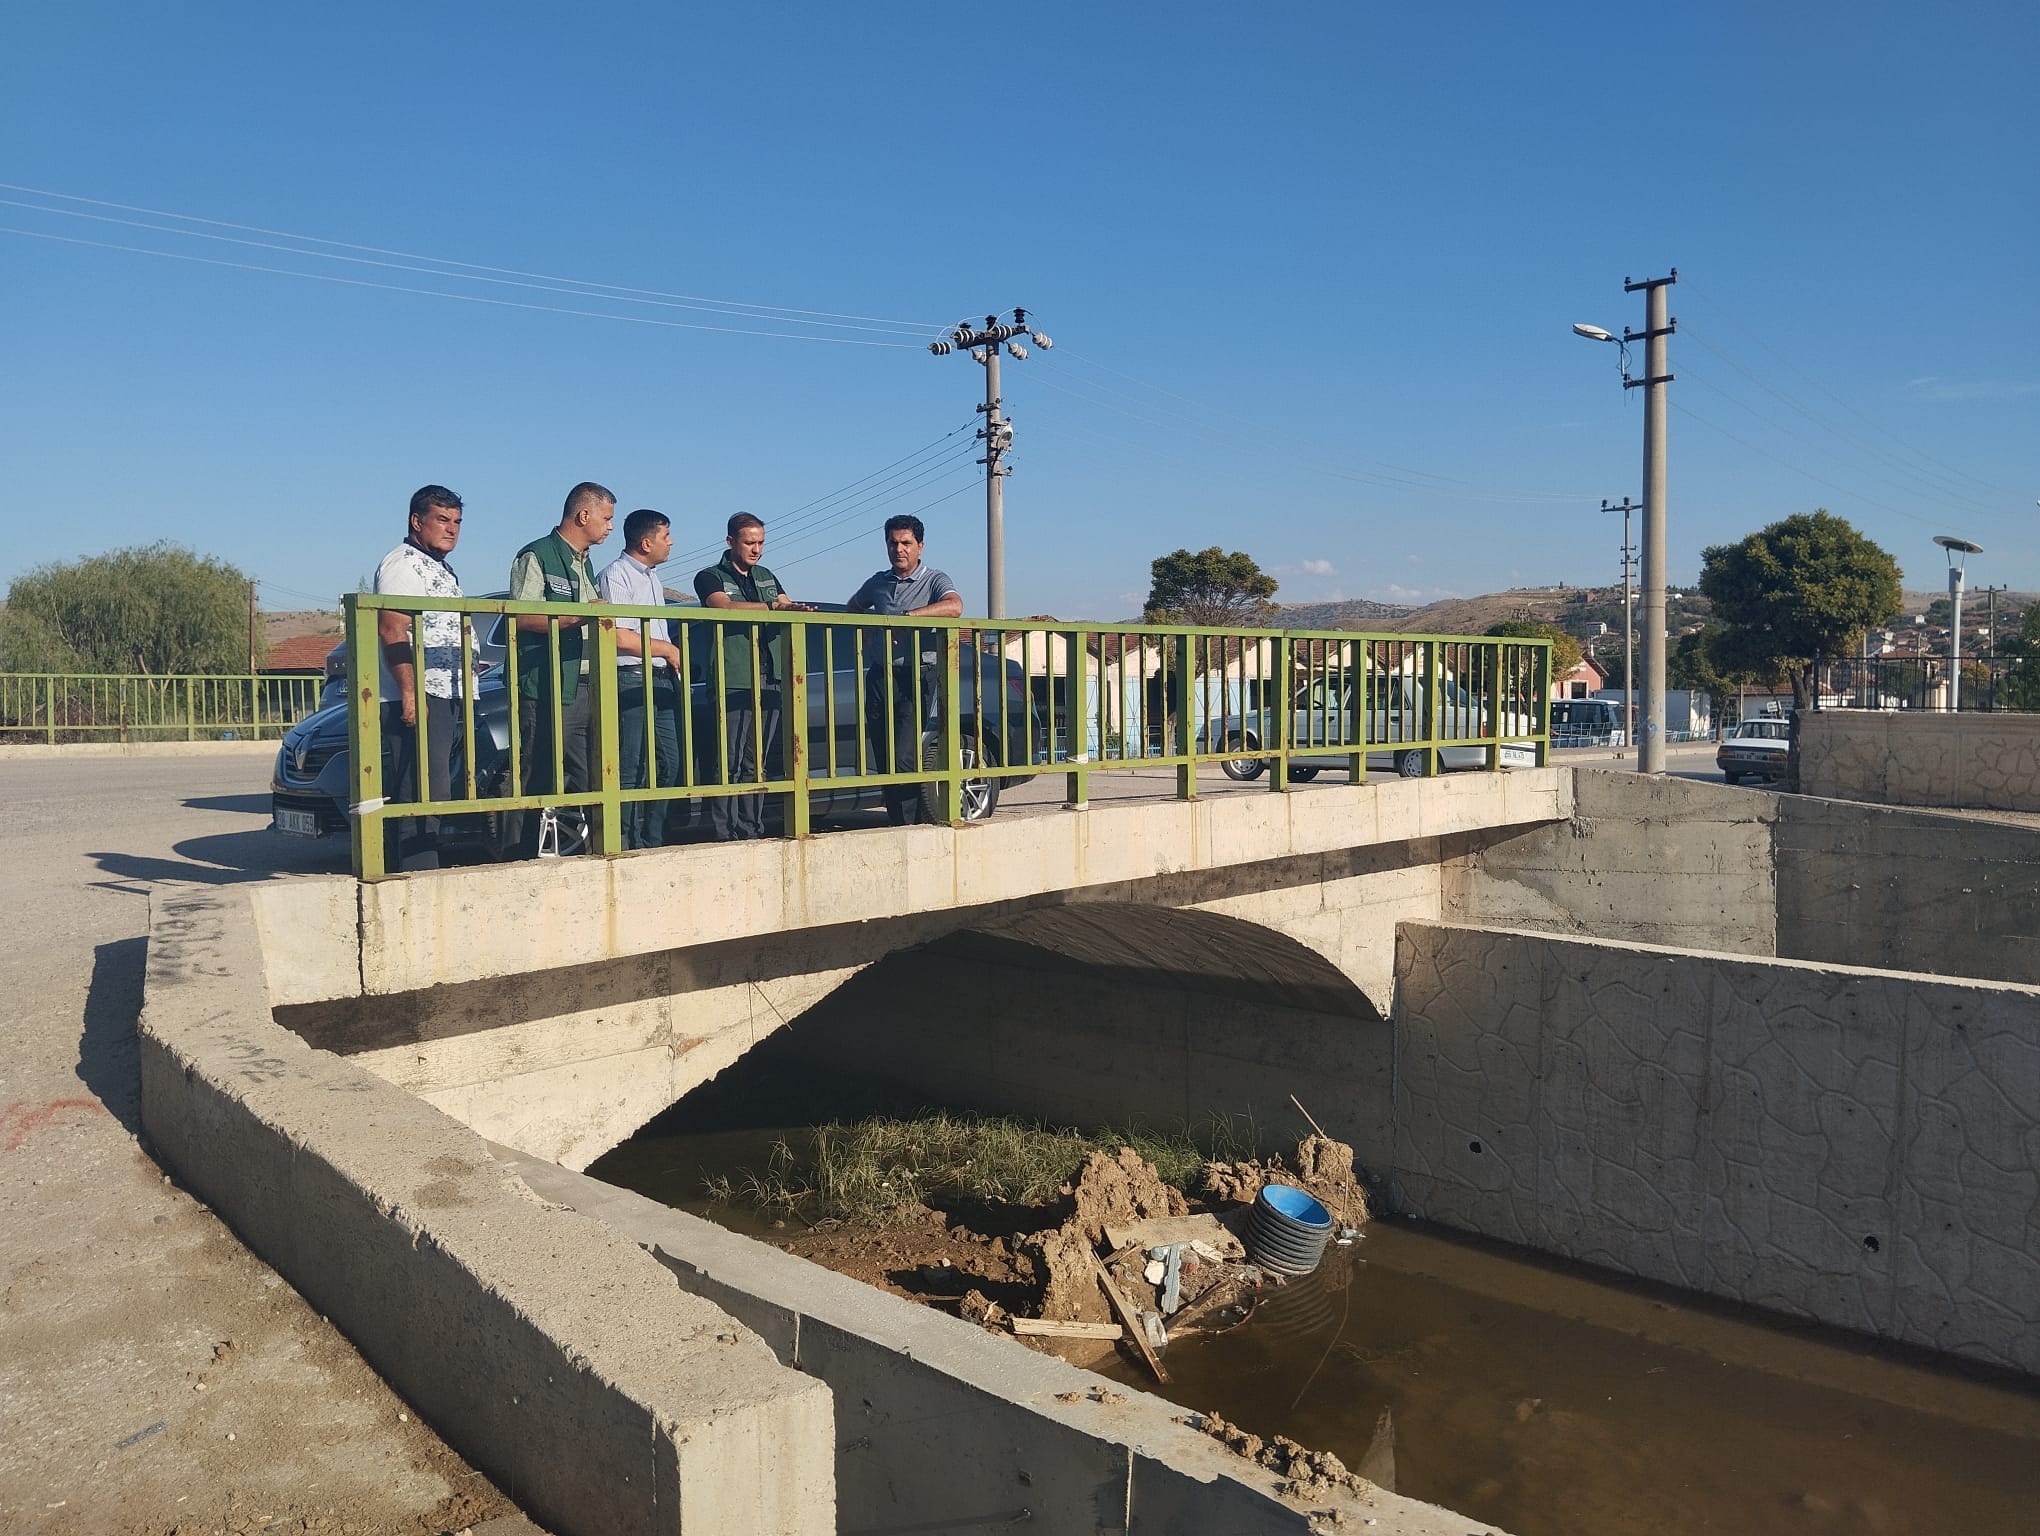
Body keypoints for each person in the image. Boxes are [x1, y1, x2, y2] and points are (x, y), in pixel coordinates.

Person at [508, 481, 615, 855]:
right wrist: (578, 616)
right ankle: (525, 855)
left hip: (584, 683)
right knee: (541, 772)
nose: (610, 527)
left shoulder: (585, 562)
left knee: (589, 774)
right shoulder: (536, 555)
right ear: (584, 515)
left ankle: (584, 850)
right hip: (547, 685)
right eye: (606, 518)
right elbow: (521, 617)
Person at [372, 485, 472, 871]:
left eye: (457, 522)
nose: (452, 530)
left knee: (435, 789)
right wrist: (410, 694)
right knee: (419, 792)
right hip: (419, 695)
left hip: (446, 694)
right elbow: (392, 630)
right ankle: (416, 876)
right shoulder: (403, 565)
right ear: (417, 521)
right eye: (442, 520)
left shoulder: (441, 567)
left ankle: (421, 869)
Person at [693, 513, 810, 840]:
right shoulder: (709, 575)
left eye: (760, 542)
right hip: (733, 679)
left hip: (769, 679)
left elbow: (785, 604)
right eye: (749, 542)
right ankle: (725, 833)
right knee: (727, 761)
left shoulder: (766, 575)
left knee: (755, 762)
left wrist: (793, 609)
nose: (756, 549)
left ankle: (751, 829)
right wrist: (774, 608)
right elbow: (723, 606)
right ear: (731, 542)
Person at [846, 514, 962, 823]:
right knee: (884, 755)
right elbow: (854, 606)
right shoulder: (878, 582)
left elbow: (954, 606)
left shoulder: (934, 579)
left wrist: (909, 617)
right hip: (880, 675)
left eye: (906, 543)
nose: (899, 549)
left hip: (916, 675)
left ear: (920, 546)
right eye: (893, 543)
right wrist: (867, 630)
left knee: (905, 755)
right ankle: (897, 821)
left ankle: (912, 825)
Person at [597, 509, 687, 849]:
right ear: (646, 542)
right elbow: (619, 635)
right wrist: (666, 648)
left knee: (670, 761)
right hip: (631, 676)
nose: (671, 542)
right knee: (630, 763)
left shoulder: (651, 577)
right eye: (666, 536)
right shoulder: (616, 574)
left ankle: (653, 838)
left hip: (660, 677)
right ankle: (626, 840)